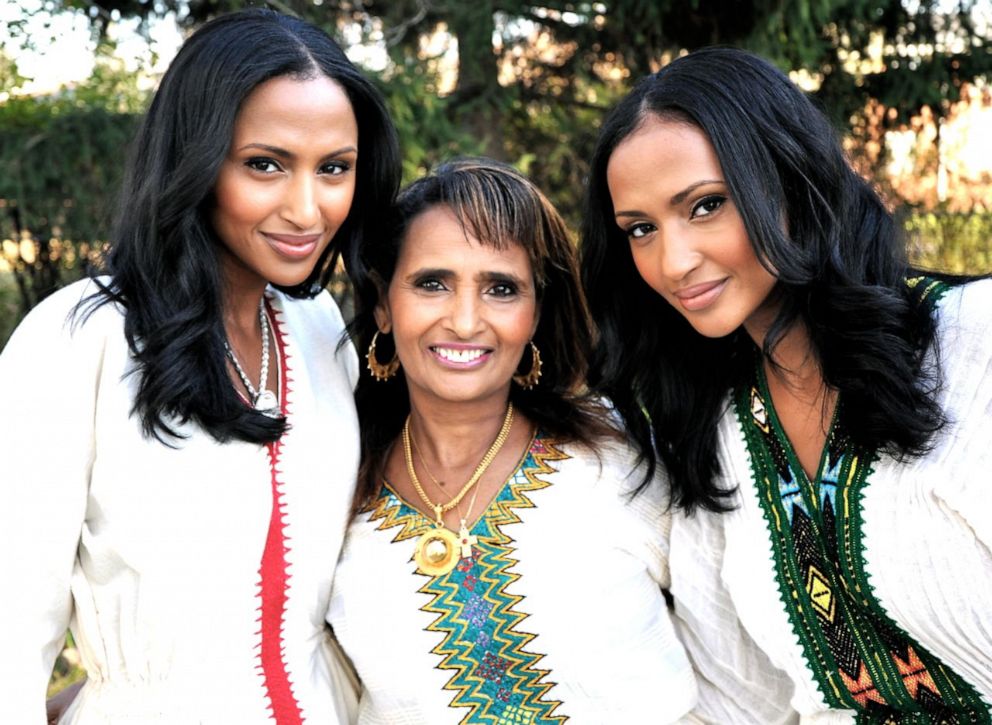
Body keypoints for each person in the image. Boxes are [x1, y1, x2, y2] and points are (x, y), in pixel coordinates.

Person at [0, 8, 399, 723]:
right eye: (265, 165)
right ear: (195, 157)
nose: (307, 208)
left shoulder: (316, 327)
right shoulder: (75, 340)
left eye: (334, 168)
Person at [581, 47, 992, 722]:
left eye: (707, 205)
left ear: (790, 180)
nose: (673, 260)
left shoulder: (972, 343)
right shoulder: (713, 430)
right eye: (641, 229)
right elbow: (739, 697)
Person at [326, 158, 718, 723]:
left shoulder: (613, 460)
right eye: (432, 283)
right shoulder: (336, 493)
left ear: (537, 312)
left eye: (501, 288)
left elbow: (738, 661)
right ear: (384, 304)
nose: (464, 321)